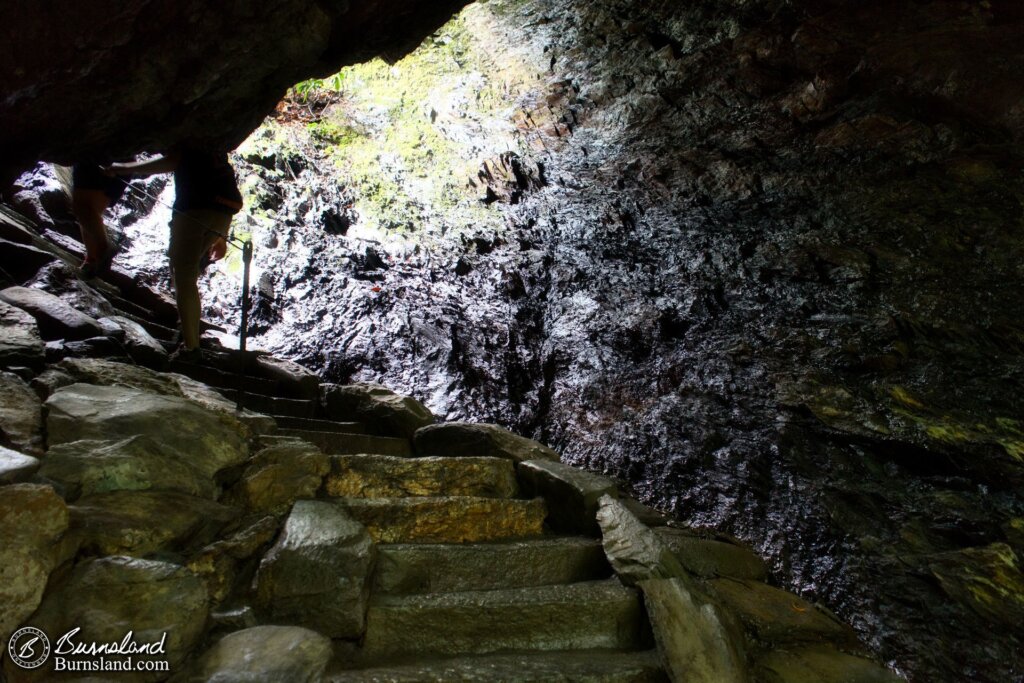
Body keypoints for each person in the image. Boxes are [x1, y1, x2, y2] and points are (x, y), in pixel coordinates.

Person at [105, 146, 243, 360]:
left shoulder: (190, 141)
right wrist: (222, 236)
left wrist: (123, 168)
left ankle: (191, 348)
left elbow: (172, 161)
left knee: (183, 276)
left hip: (194, 211)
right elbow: (221, 186)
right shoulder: (215, 147)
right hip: (221, 213)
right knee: (189, 277)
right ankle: (191, 339)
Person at [71, 163, 129, 277]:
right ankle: (92, 260)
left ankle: (103, 249)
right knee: (90, 213)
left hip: (101, 162)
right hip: (117, 164)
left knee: (83, 207)